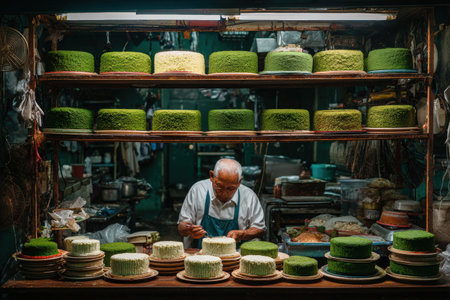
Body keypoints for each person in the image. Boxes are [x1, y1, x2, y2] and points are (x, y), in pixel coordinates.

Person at [178, 158, 266, 248]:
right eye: (219, 186)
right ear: (212, 176)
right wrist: (189, 230)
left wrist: (243, 234)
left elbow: (260, 229)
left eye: (231, 188)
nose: (224, 193)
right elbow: (181, 227)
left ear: (239, 182)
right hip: (200, 256)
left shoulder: (249, 196)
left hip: (235, 258)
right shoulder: (198, 191)